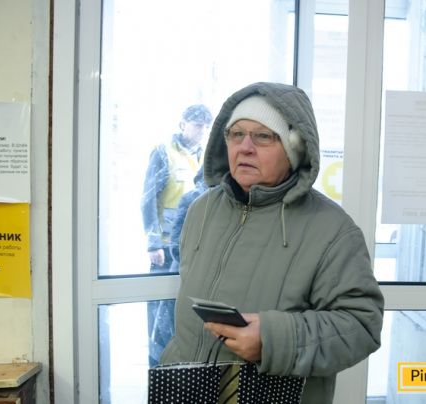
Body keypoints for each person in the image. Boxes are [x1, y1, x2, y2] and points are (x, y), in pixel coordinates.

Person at [159, 82, 384, 403]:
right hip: (188, 392)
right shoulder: (201, 210)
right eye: (236, 134)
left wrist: (273, 341)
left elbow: (362, 326)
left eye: (263, 136)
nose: (245, 147)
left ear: (294, 148)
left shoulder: (332, 230)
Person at [141, 103, 213, 366]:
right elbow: (148, 198)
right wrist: (153, 243)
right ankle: (158, 365)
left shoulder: (206, 157)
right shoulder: (164, 153)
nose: (202, 131)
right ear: (183, 124)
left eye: (206, 127)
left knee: (181, 311)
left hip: (191, 247)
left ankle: (182, 367)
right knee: (160, 311)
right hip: (166, 246)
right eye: (197, 125)